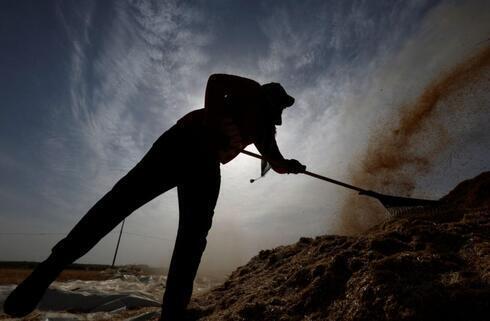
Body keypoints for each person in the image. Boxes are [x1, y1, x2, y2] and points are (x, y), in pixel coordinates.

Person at [3, 73, 306, 320]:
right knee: (116, 204)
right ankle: (47, 271)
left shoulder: (265, 132)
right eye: (280, 104)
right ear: (268, 98)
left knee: (193, 238)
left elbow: (275, 162)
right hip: (181, 143)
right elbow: (215, 81)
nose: (280, 112)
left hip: (205, 164)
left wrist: (289, 166)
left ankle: (172, 314)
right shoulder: (250, 90)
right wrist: (214, 123)